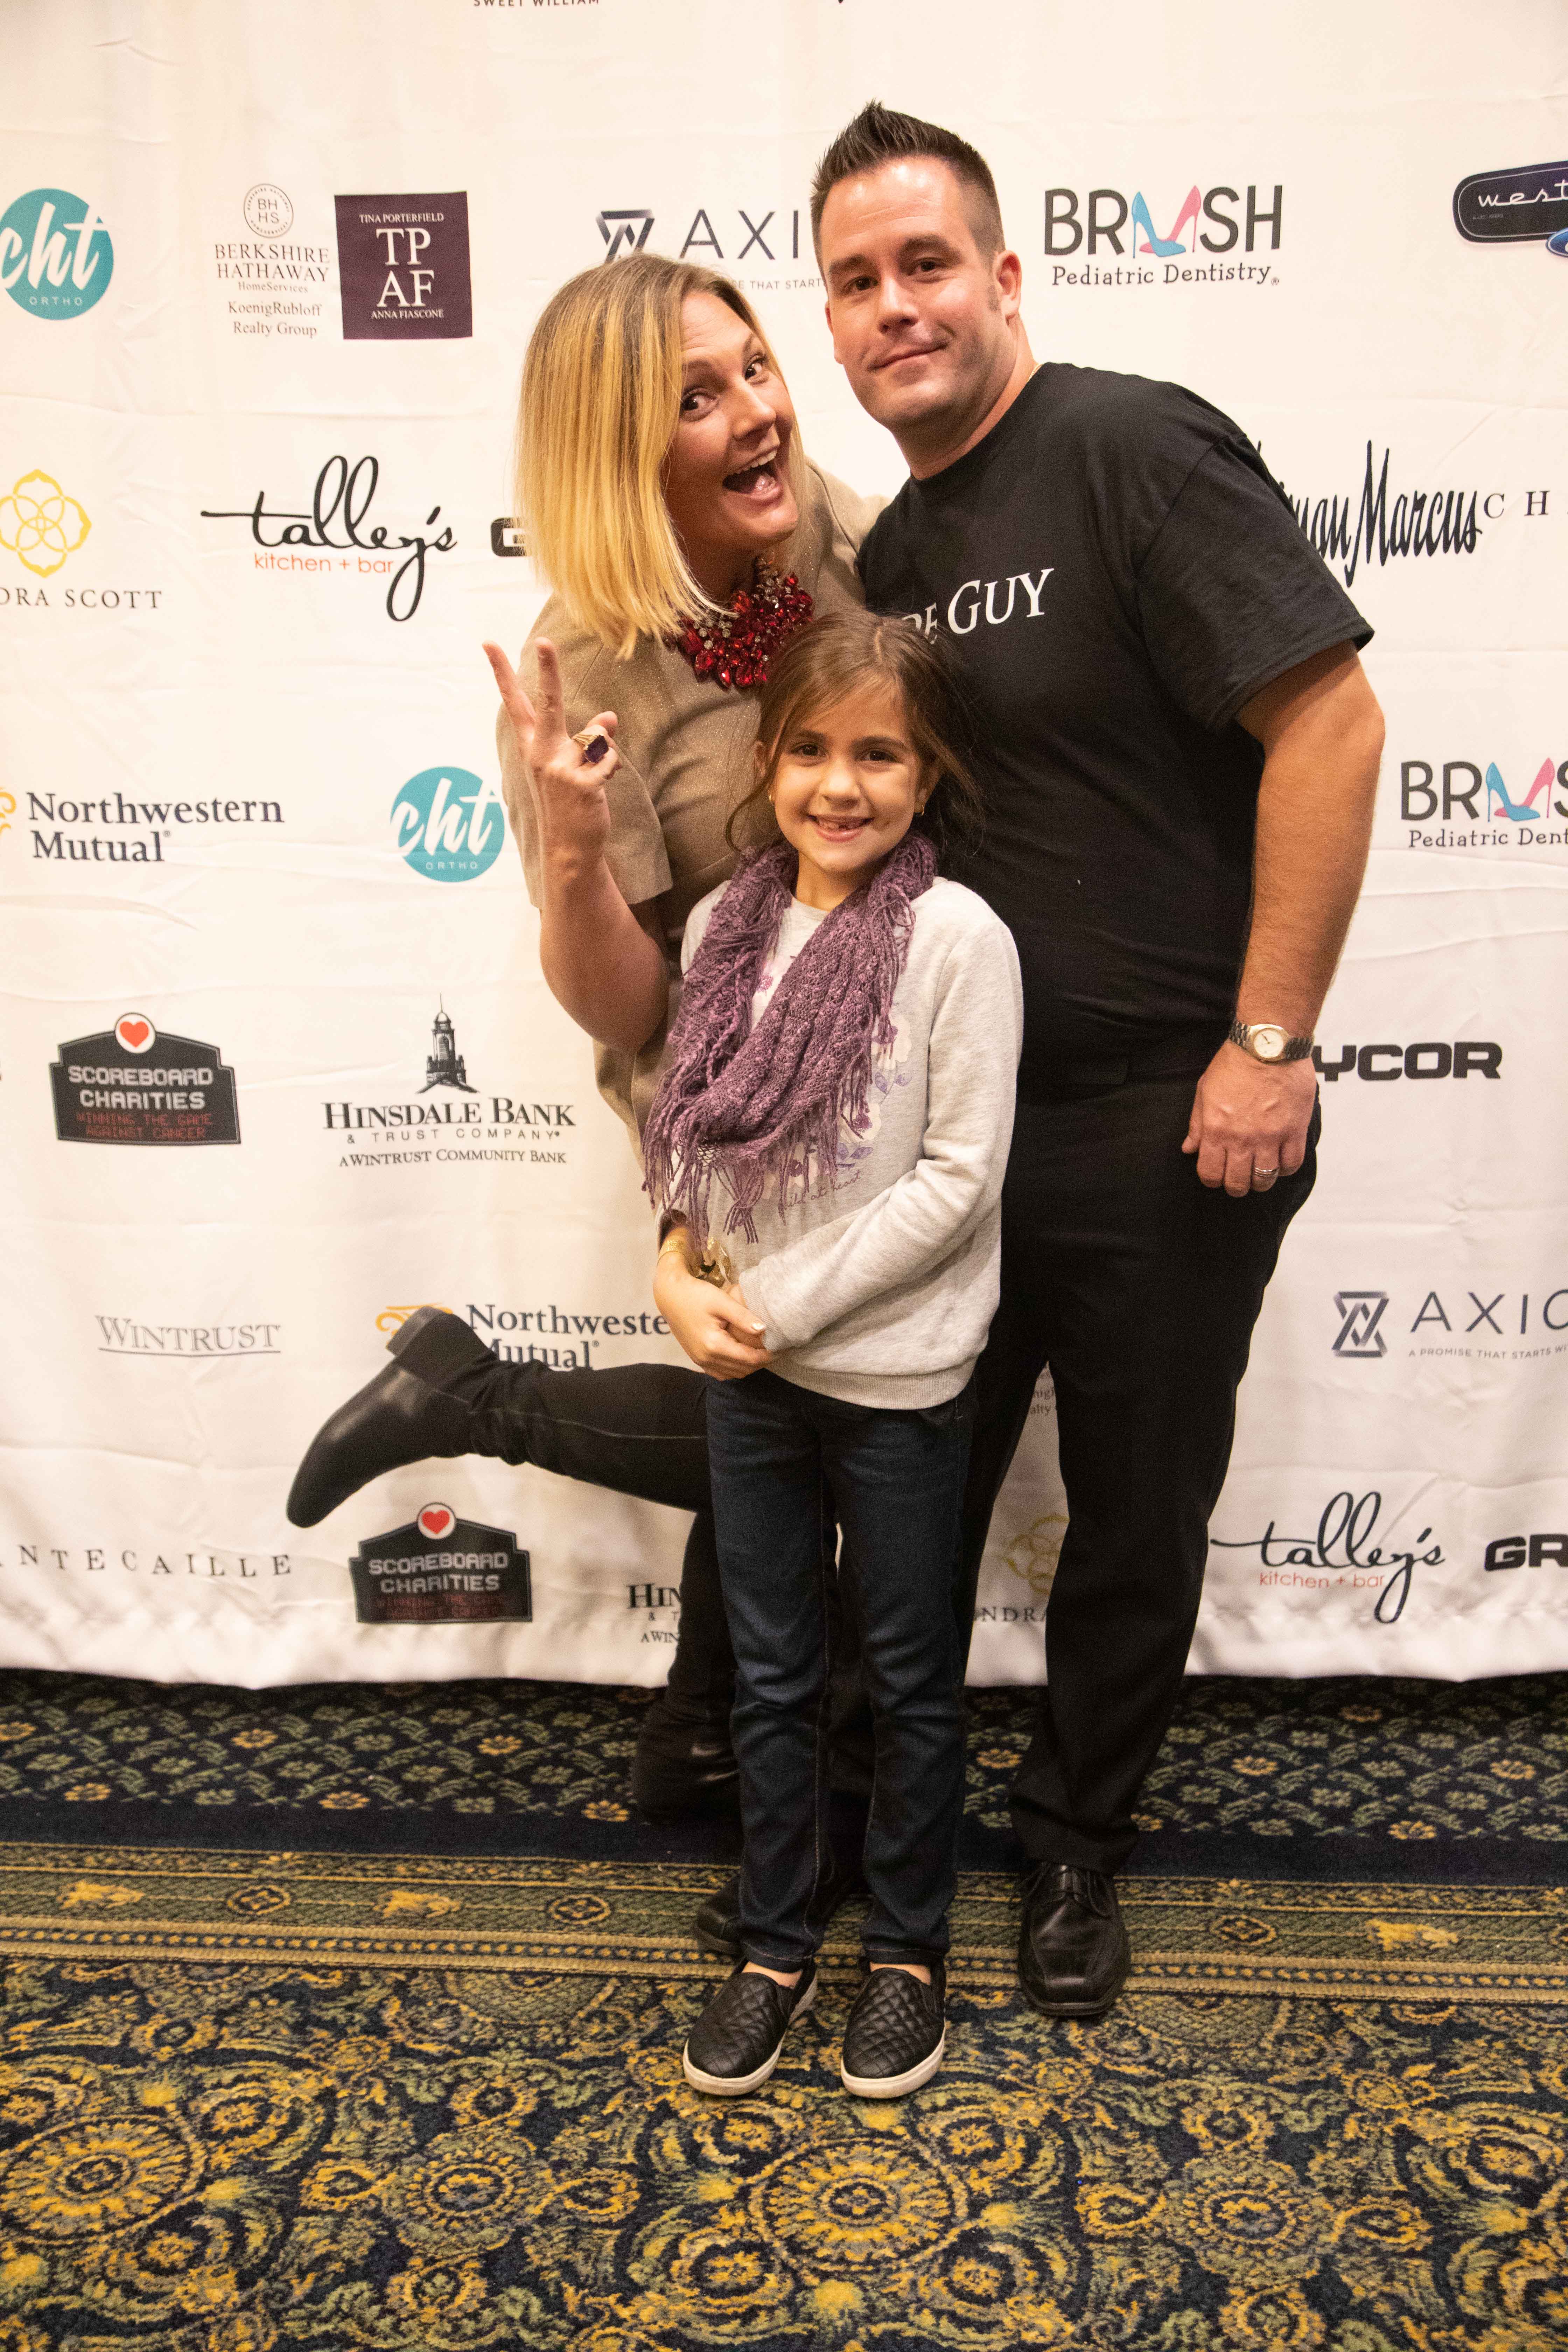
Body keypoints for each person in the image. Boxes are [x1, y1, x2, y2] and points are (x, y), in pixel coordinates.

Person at [808, 103, 1385, 2019]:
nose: (896, 306)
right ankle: (876, 1830)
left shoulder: (1133, 446)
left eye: (926, 264)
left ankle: (1073, 1846)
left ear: (1001, 273)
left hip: (1170, 1117)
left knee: (1133, 1517)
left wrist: (1268, 1045)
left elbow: (1332, 724)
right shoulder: (897, 547)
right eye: (857, 282)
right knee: (907, 1500)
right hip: (956, 1136)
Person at [285, 254, 881, 1880]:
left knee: (800, 1405)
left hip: (893, 1060)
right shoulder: (584, 671)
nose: (756, 411)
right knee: (824, 1424)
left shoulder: (843, 539)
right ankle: (482, 1398)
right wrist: (565, 848)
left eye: (752, 367)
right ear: (617, 450)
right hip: (733, 1102)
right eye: (695, 398)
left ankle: (697, 1727)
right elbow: (623, 1010)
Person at [656, 606, 1021, 2099]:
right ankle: (774, 1944)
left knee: (909, 1679)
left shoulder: (959, 941)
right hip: (749, 1378)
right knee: (770, 1674)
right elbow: (693, 1133)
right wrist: (681, 1268)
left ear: (928, 775)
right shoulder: (721, 928)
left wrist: (779, 1308)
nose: (840, 784)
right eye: (810, 749)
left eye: (880, 755)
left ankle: (909, 1955)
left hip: (897, 1383)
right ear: (767, 758)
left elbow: (959, 1180)